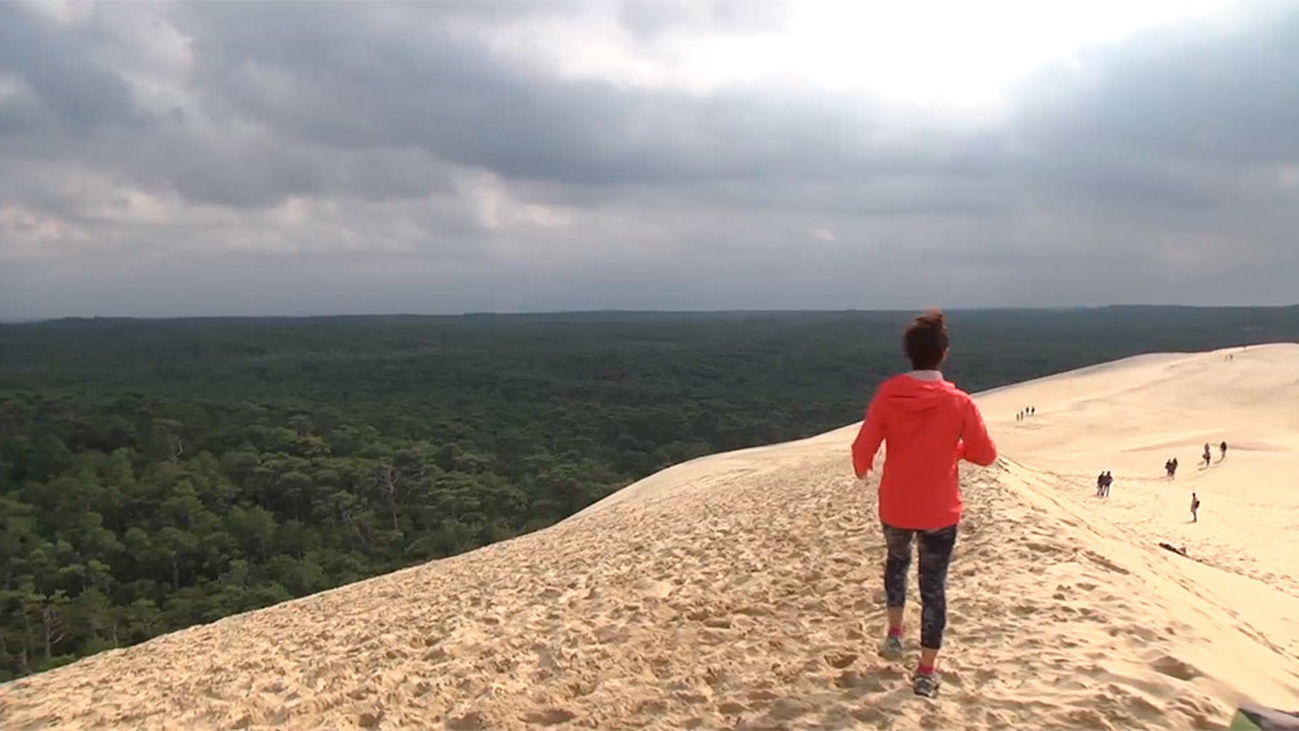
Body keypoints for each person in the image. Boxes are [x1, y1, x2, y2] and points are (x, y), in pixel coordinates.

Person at [852, 309, 997, 698]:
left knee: (897, 563)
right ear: (943, 353)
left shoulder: (888, 394)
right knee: (933, 586)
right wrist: (956, 450)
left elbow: (862, 450)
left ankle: (895, 634)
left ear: (909, 354)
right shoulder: (959, 402)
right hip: (939, 509)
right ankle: (926, 671)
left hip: (897, 504)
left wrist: (864, 465)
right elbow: (986, 454)